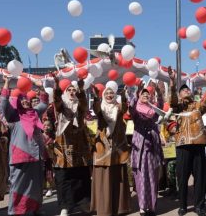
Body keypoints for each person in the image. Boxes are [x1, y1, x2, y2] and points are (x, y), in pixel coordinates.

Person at [1, 76, 48, 215]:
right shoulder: (13, 116)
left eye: (27, 99)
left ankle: (35, 209)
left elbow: (44, 103)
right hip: (20, 158)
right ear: (17, 102)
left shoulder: (35, 113)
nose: (25, 101)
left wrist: (40, 86)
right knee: (18, 188)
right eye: (22, 99)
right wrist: (7, 83)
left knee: (36, 187)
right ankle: (15, 212)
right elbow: (4, 102)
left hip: (36, 157)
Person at [168, 67, 206, 216]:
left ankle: (199, 206)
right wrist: (173, 81)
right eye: (184, 90)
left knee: (200, 178)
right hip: (182, 145)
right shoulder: (178, 106)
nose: (186, 90)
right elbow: (172, 99)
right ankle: (183, 206)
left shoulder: (197, 106)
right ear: (180, 95)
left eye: (188, 89)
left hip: (198, 144)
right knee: (182, 177)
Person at [53, 76, 92, 216]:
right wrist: (57, 84)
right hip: (63, 142)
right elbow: (57, 102)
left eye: (73, 89)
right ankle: (65, 206)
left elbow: (83, 103)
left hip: (79, 143)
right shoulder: (61, 104)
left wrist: (81, 89)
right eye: (68, 89)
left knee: (81, 174)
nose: (71, 91)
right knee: (64, 176)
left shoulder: (80, 104)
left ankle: (83, 203)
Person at [90, 85, 131, 216]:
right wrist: (96, 97)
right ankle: (103, 209)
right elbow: (96, 109)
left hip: (118, 149)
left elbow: (124, 107)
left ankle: (118, 208)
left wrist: (124, 95)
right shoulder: (100, 107)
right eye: (106, 93)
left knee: (117, 178)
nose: (109, 95)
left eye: (111, 93)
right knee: (103, 179)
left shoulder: (119, 107)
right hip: (102, 149)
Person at [130, 82, 164, 216]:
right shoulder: (136, 110)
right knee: (141, 177)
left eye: (147, 94)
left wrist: (160, 92)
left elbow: (161, 107)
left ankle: (152, 206)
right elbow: (131, 106)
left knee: (153, 177)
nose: (145, 95)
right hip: (140, 147)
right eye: (142, 93)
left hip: (153, 146)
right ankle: (143, 207)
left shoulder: (153, 109)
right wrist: (137, 89)